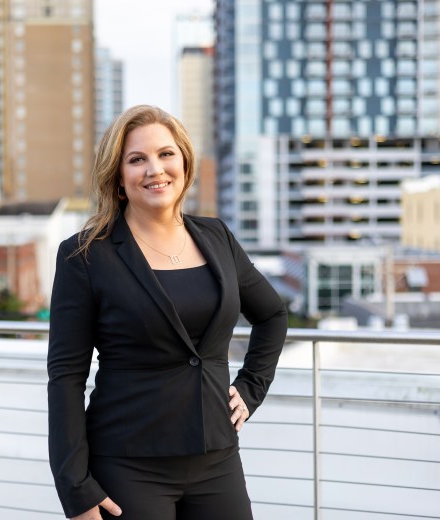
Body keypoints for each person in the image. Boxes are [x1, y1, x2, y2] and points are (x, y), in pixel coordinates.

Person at [47, 105, 288, 520]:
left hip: (217, 460)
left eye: (165, 154)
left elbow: (272, 315)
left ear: (184, 161)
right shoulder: (85, 255)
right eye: (136, 160)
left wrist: (250, 390)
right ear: (119, 178)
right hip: (127, 465)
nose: (154, 169)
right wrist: (75, 488)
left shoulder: (216, 236)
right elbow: (66, 377)